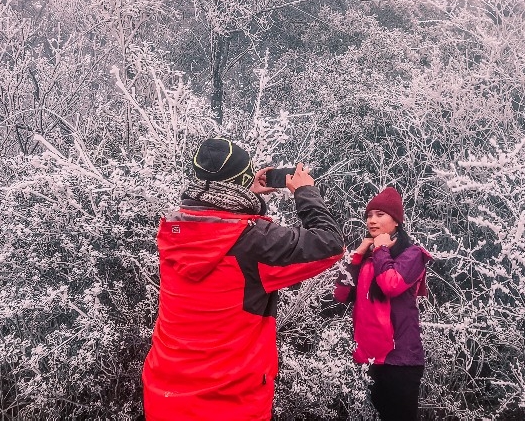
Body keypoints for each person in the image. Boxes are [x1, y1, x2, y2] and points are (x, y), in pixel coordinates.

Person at [142, 137, 345, 420]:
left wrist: (245, 195)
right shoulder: (253, 242)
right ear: (241, 182)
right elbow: (330, 243)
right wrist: (306, 192)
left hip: (165, 396)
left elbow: (221, 219)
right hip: (228, 403)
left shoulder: (175, 228)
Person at [334, 186, 433, 421]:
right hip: (373, 357)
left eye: (380, 214)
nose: (372, 220)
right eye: (369, 215)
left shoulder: (412, 254)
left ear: (396, 221)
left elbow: (391, 284)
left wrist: (379, 249)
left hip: (402, 361)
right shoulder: (369, 259)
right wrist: (357, 255)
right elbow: (340, 293)